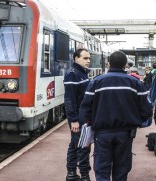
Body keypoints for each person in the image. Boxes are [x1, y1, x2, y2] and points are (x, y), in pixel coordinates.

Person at [79, 51, 153, 181]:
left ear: (108, 64)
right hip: (125, 133)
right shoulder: (135, 83)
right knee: (121, 171)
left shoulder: (96, 82)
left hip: (102, 134)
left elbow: (85, 109)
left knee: (102, 171)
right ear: (125, 65)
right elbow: (147, 109)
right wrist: (136, 121)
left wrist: (90, 123)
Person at [64, 48, 91, 181]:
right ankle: (85, 176)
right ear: (76, 58)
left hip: (82, 116)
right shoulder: (72, 74)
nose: (88, 61)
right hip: (78, 118)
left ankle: (71, 174)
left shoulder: (81, 73)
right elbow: (69, 99)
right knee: (83, 146)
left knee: (75, 144)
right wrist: (74, 120)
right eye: (85, 58)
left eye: (89, 58)